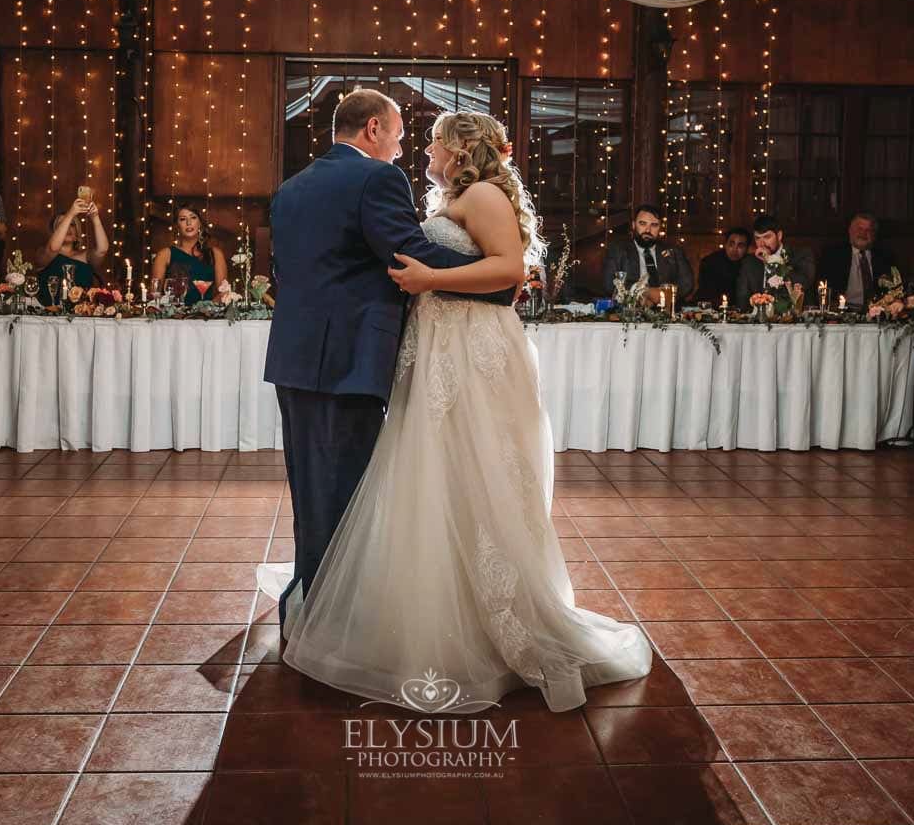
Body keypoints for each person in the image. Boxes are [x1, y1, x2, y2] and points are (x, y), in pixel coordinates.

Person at [263, 101, 651, 713]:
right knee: (356, 485)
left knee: (326, 486)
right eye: (400, 135)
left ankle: (311, 601)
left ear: (459, 149)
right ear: (373, 130)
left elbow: (351, 267)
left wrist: (476, 279)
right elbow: (404, 253)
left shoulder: (292, 188)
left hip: (308, 356)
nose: (412, 151)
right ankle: (324, 605)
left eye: (431, 143)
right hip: (360, 358)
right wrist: (489, 280)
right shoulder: (377, 178)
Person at [601, 204, 694, 299]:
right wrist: (644, 293)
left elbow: (687, 285)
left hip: (666, 308)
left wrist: (663, 296)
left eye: (654, 225)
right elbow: (609, 286)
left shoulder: (674, 251)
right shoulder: (617, 250)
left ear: (660, 227)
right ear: (633, 225)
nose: (648, 230)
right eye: (642, 224)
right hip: (630, 309)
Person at [35, 194, 109, 307]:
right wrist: (71, 214)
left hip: (82, 317)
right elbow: (53, 248)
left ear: (77, 233)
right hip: (49, 317)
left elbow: (102, 250)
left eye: (72, 225)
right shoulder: (43, 253)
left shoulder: (85, 255)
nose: (68, 229)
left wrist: (95, 217)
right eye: (62, 224)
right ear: (55, 232)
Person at [150, 207, 226, 306]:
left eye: (193, 218)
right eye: (183, 219)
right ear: (177, 225)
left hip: (208, 317)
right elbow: (154, 294)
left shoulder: (215, 254)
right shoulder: (165, 254)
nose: (188, 223)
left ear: (200, 223)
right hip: (173, 317)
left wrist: (205, 310)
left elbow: (223, 293)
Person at [819, 212, 894, 310]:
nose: (863, 234)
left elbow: (893, 289)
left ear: (874, 235)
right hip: (842, 313)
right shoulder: (833, 255)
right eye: (859, 229)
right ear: (850, 230)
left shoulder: (885, 257)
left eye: (868, 230)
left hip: (877, 313)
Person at [739, 213, 816, 306]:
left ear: (779, 236)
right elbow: (742, 300)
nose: (762, 243)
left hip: (793, 317)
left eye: (767, 237)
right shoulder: (749, 262)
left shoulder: (802, 255)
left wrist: (771, 261)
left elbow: (803, 283)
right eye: (757, 238)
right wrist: (752, 302)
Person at [693, 226, 755, 309]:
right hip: (708, 308)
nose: (734, 249)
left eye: (740, 246)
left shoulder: (749, 265)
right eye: (731, 244)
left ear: (747, 249)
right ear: (725, 244)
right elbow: (706, 292)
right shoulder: (710, 262)